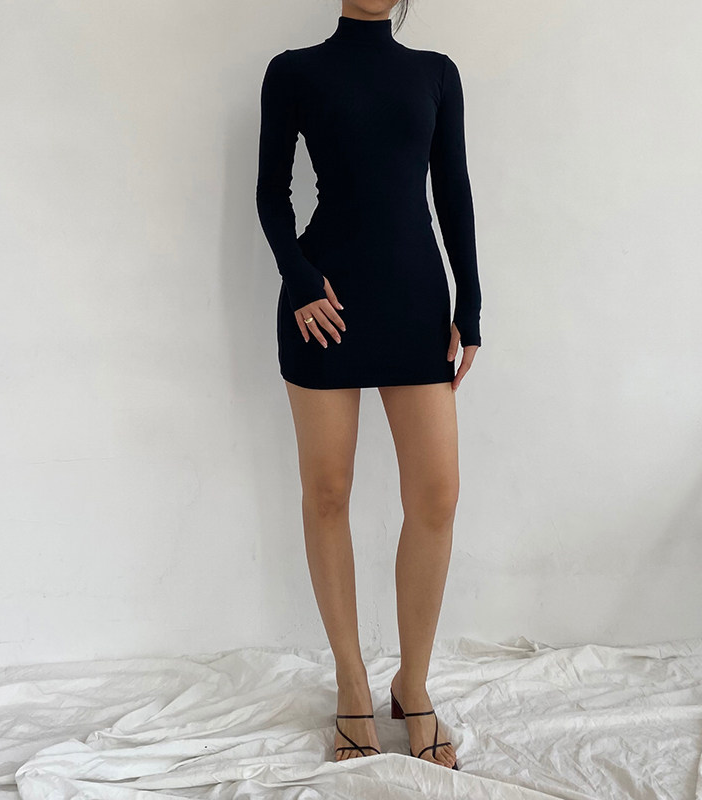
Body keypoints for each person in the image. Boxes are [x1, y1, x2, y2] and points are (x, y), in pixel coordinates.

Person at [255, 0, 481, 767]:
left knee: (437, 495)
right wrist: (300, 282)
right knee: (327, 492)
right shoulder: (294, 72)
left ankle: (411, 684)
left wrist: (470, 306)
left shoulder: (435, 74)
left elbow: (452, 189)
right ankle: (351, 683)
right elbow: (272, 193)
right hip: (323, 306)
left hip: (415, 302)